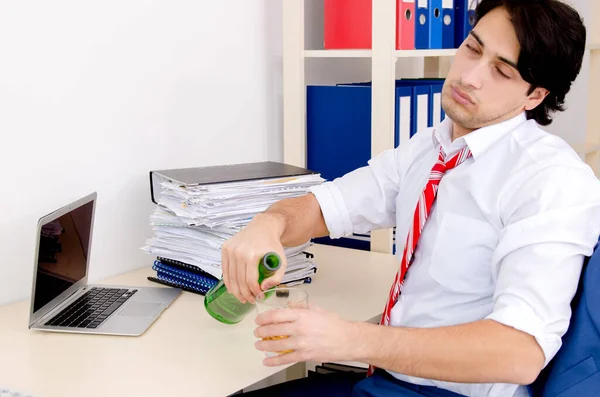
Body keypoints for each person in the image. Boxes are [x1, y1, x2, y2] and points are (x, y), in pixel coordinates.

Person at [221, 1, 600, 396]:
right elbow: (328, 206)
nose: (469, 76)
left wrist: (350, 339)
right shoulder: (432, 146)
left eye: (501, 71)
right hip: (387, 380)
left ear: (534, 96)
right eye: (472, 48)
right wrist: (269, 224)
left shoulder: (551, 180)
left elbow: (519, 352)